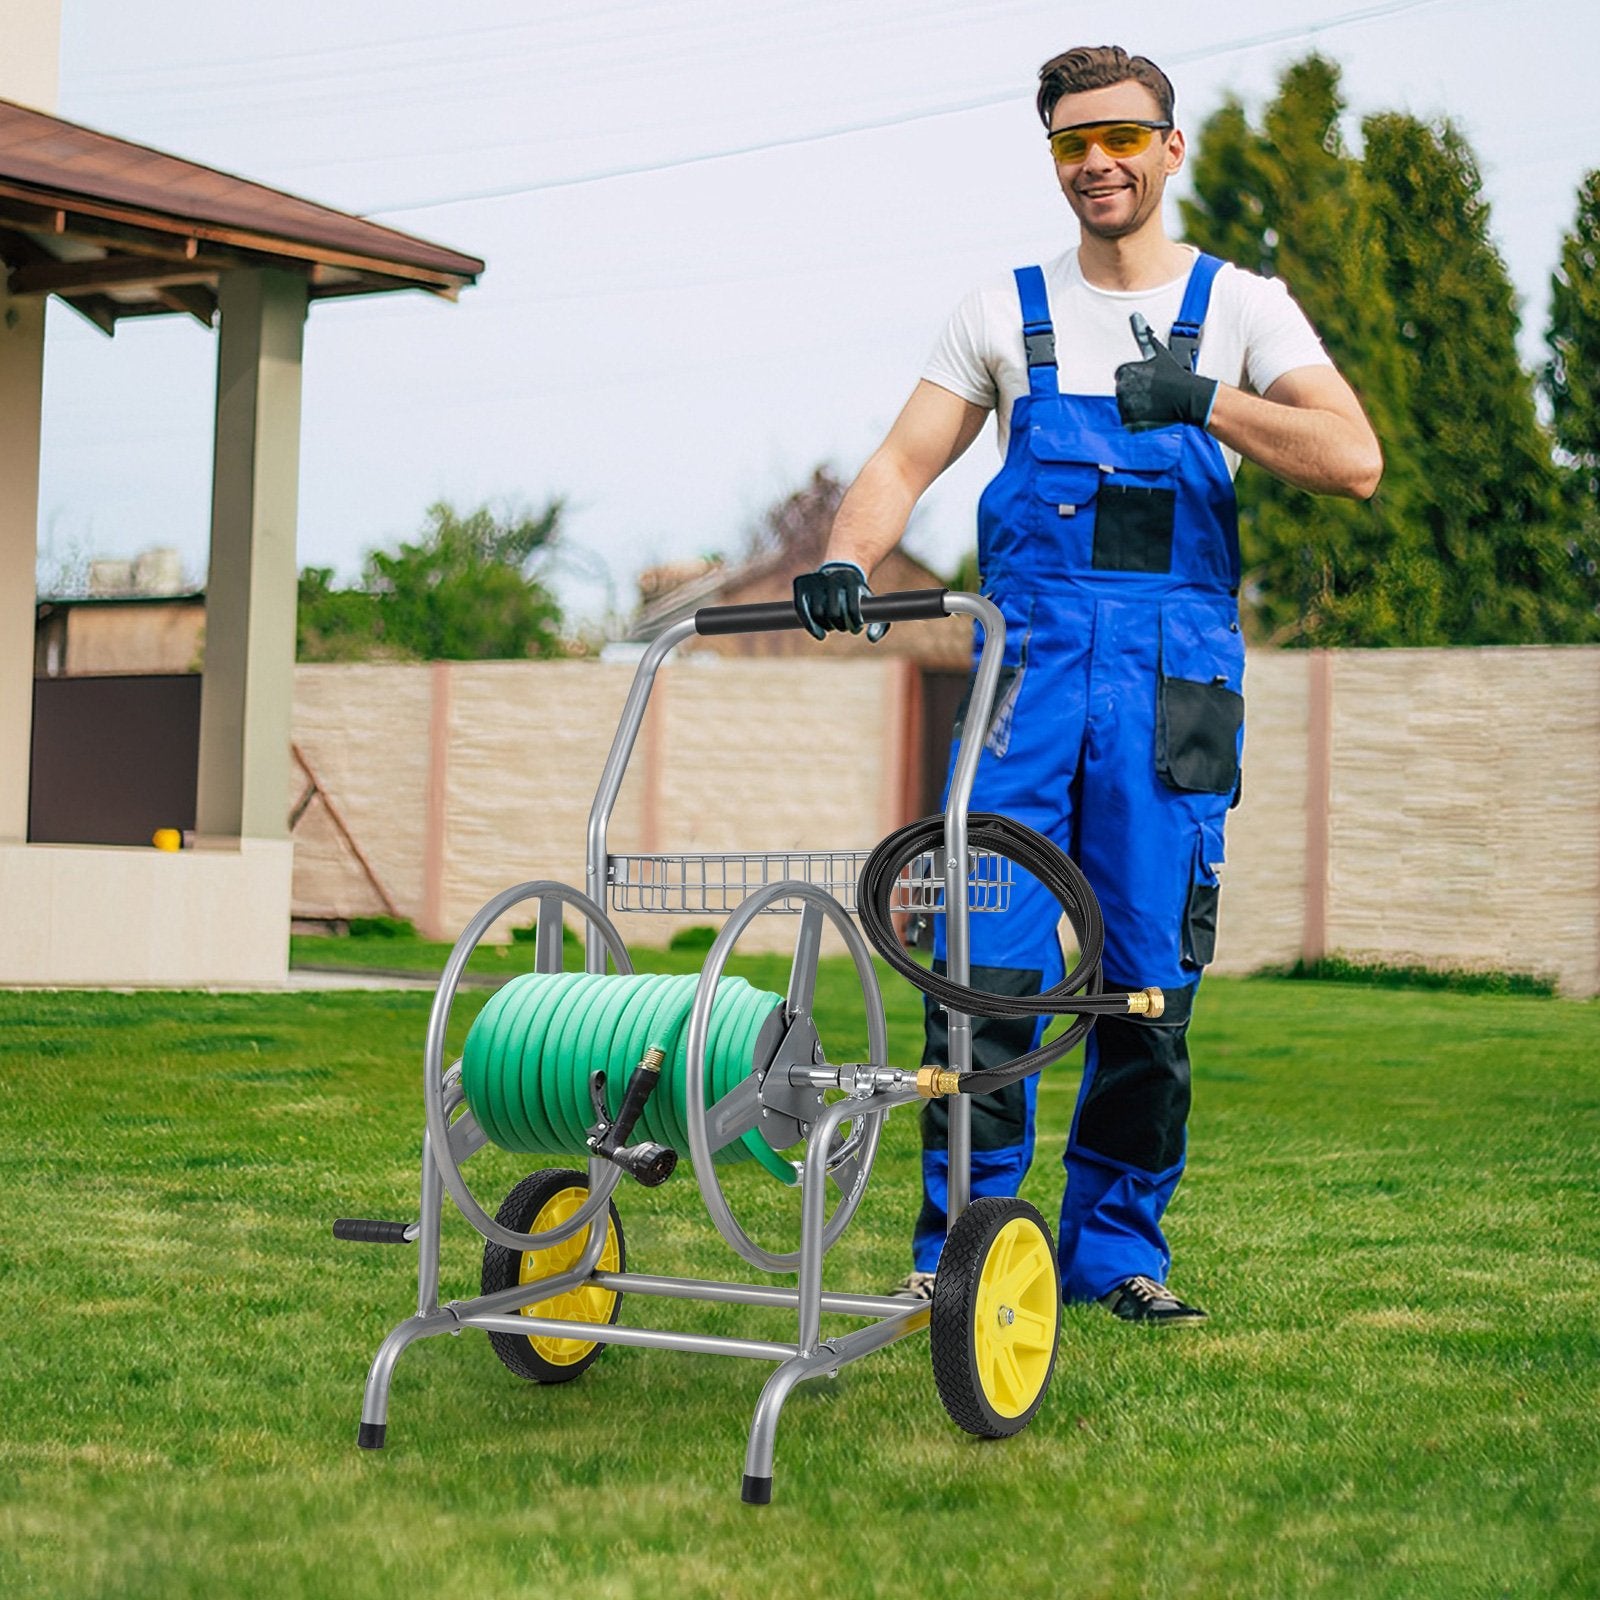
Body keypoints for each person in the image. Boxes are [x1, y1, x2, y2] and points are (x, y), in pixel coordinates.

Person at [794, 45, 1381, 1324]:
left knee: (1147, 989)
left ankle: (1117, 1253)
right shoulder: (1001, 312)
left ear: (1171, 148)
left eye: (1121, 136)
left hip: (1168, 703)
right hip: (1027, 689)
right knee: (982, 976)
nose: (1097, 162)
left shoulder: (1243, 306)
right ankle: (960, 1242)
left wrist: (1207, 400)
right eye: (1071, 142)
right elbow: (901, 461)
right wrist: (846, 555)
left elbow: (1351, 457)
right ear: (1051, 157)